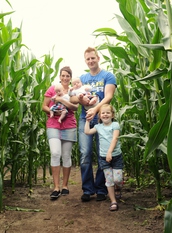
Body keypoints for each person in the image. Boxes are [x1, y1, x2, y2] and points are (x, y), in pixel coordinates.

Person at [70, 47, 117, 202]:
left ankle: (101, 189)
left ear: (98, 58)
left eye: (93, 58)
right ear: (85, 61)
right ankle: (88, 189)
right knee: (85, 154)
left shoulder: (108, 76)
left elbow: (108, 96)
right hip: (86, 120)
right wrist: (81, 100)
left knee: (103, 155)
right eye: (88, 59)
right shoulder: (82, 78)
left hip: (103, 121)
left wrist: (96, 109)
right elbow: (72, 98)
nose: (90, 61)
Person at [42, 66, 78, 200]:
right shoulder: (53, 89)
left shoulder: (73, 91)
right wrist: (52, 111)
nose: (65, 78)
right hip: (53, 125)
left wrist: (62, 100)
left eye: (68, 76)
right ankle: (56, 187)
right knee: (55, 153)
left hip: (69, 125)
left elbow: (75, 107)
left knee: (66, 155)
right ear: (59, 76)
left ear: (70, 78)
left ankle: (65, 186)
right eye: (63, 75)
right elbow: (44, 106)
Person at [84, 104, 123, 211]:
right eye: (103, 113)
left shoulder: (115, 125)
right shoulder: (98, 127)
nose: (105, 115)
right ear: (99, 116)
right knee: (109, 180)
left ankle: (118, 188)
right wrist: (87, 121)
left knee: (118, 179)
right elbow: (87, 132)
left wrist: (109, 152)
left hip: (116, 156)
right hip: (103, 158)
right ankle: (113, 201)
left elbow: (115, 139)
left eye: (108, 113)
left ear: (112, 115)